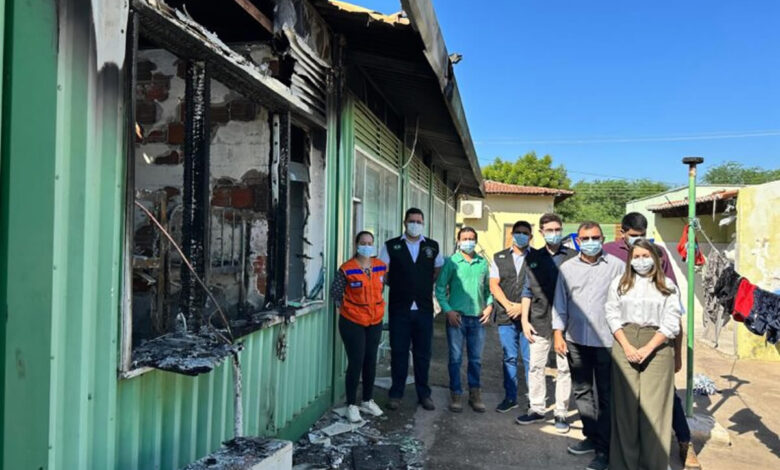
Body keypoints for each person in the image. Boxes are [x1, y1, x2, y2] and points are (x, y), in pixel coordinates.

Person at [603, 212, 700, 469]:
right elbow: (611, 313)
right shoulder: (620, 283)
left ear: (656, 259)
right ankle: (624, 463)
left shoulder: (667, 285)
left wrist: (648, 348)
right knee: (625, 408)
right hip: (624, 340)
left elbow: (671, 321)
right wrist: (626, 345)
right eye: (636, 257)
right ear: (630, 260)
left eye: (646, 256)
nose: (641, 261)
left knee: (655, 408)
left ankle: (653, 463)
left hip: (657, 345)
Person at [552, 221, 624, 470]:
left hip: (606, 341)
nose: (590, 242)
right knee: (582, 391)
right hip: (575, 340)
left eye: (595, 237)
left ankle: (604, 449)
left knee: (606, 395)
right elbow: (560, 302)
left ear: (602, 238)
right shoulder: (567, 268)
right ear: (578, 241)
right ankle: (591, 436)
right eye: (585, 238)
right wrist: (558, 333)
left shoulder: (617, 266)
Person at [516, 213, 576, 433]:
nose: (554, 233)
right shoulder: (533, 257)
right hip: (539, 320)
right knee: (535, 367)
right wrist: (524, 320)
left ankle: (561, 412)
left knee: (564, 369)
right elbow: (526, 291)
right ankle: (537, 408)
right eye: (549, 230)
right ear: (541, 232)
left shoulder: (573, 257)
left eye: (557, 229)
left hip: (566, 323)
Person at [379, 208, 443, 411]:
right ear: (405, 222)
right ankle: (396, 393)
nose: (415, 224)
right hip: (400, 308)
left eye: (418, 221)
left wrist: (420, 284)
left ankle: (424, 394)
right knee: (399, 352)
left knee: (423, 354)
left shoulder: (432, 246)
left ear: (423, 223)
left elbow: (437, 270)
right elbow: (383, 273)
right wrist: (401, 285)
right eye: (412, 221)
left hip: (423, 309)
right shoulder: (391, 246)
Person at [330, 231, 387, 423]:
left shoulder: (380, 266)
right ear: (356, 245)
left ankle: (367, 400)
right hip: (352, 321)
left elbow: (381, 288)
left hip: (375, 320)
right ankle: (351, 405)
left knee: (370, 360)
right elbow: (335, 293)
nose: (367, 246)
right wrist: (346, 310)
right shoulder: (347, 269)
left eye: (370, 243)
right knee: (356, 361)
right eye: (363, 243)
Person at [435, 227, 494, 413]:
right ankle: (456, 393)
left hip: (477, 319)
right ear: (458, 241)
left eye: (471, 238)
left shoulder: (482, 263)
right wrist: (448, 311)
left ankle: (475, 394)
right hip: (457, 319)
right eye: (464, 238)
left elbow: (489, 290)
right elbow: (440, 288)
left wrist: (489, 306)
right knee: (455, 358)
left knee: (476, 359)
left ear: (476, 240)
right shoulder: (451, 262)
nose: (468, 242)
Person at [489, 220, 533, 413]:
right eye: (518, 232)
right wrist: (509, 306)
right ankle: (510, 397)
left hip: (530, 317)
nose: (521, 236)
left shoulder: (538, 257)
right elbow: (494, 284)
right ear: (512, 234)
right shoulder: (499, 257)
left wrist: (522, 308)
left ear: (531, 236)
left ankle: (534, 399)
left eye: (525, 233)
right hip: (506, 316)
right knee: (509, 357)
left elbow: (541, 287)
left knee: (531, 360)